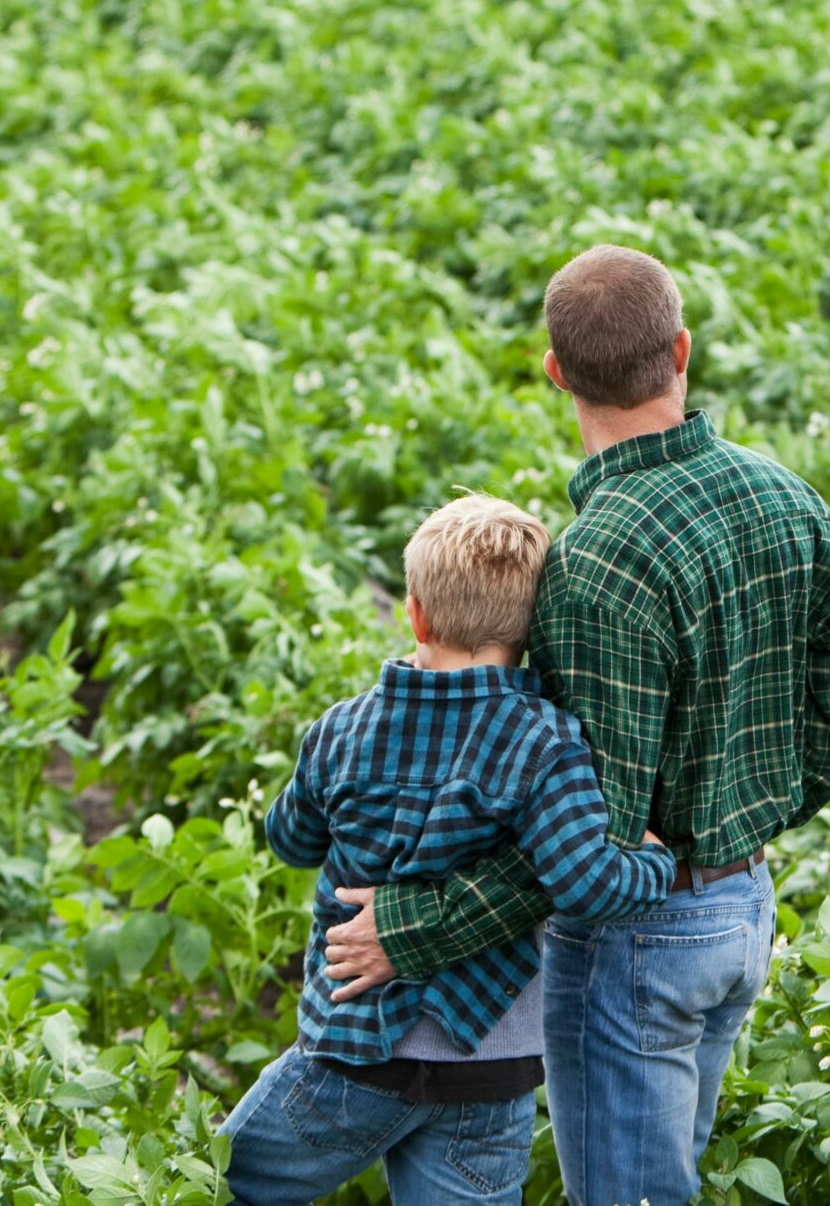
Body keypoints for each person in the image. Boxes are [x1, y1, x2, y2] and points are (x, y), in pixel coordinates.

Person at [318, 244, 830, 1206]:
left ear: (555, 373)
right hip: (741, 909)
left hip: (640, 938)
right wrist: (770, 796)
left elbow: (584, 843)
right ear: (682, 350)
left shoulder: (594, 565)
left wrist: (413, 929)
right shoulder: (775, 488)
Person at [221, 494, 678, 1206]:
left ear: (416, 614)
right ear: (531, 630)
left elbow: (289, 837)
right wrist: (655, 860)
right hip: (488, 1065)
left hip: (354, 1050)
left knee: (221, 1180)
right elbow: (586, 883)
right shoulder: (547, 739)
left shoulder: (345, 728)